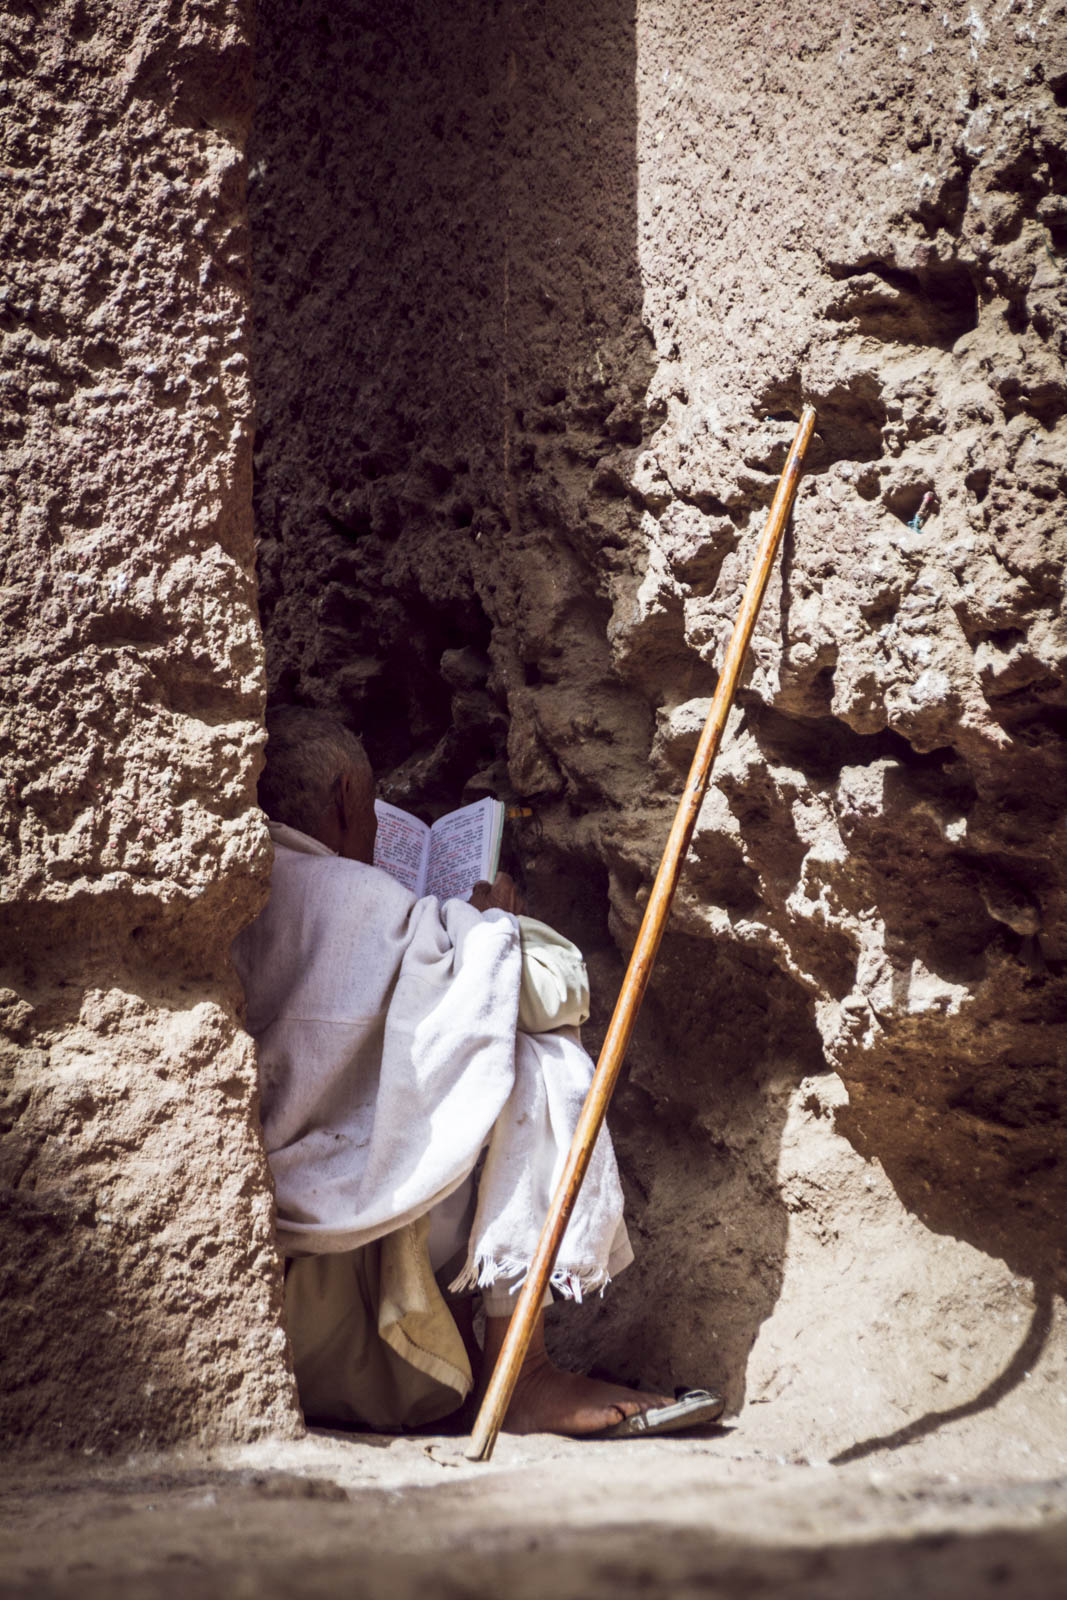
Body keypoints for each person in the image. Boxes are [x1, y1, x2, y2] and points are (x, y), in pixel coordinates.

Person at [233, 707, 716, 1437]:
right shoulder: (358, 897)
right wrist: (492, 926)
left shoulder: (228, 893)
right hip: (347, 1289)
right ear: (344, 800)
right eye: (373, 818)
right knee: (535, 1060)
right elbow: (556, 992)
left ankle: (484, 1367)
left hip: (262, 1292)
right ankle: (523, 1375)